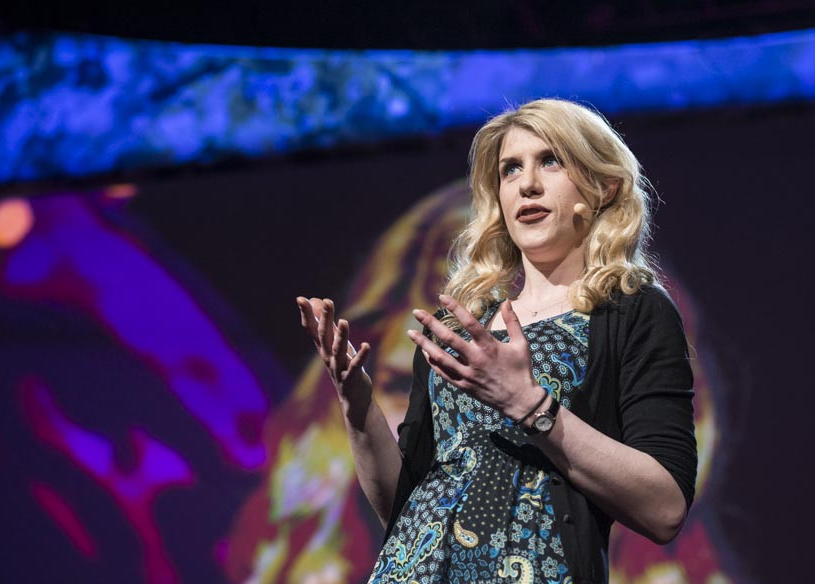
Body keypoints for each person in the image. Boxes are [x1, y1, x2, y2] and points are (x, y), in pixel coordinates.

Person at [296, 98, 697, 584]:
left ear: (603, 186)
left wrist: (528, 404)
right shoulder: (459, 330)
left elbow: (664, 509)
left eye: (551, 161)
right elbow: (402, 510)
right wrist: (358, 405)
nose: (527, 184)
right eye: (511, 169)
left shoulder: (632, 311)